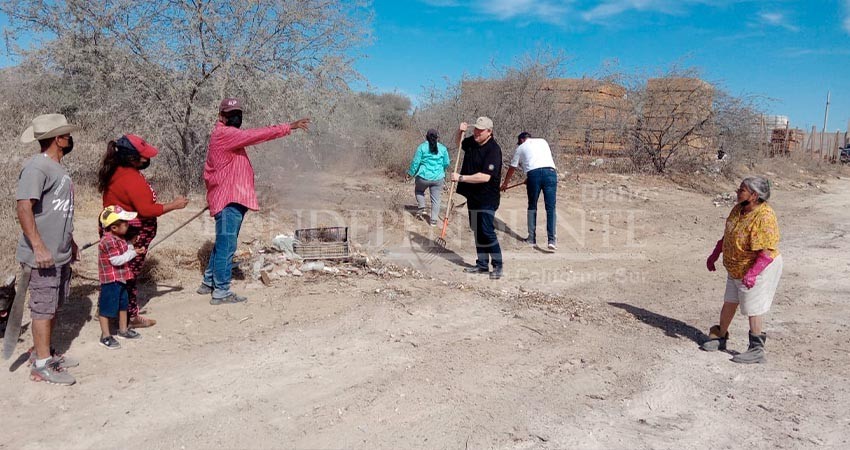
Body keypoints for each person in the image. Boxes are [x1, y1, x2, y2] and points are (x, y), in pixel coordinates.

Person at [198, 98, 310, 304]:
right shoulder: (226, 134)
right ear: (221, 116)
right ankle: (221, 292)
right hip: (229, 200)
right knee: (227, 247)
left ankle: (208, 282)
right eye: (231, 114)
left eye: (238, 113)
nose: (236, 117)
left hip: (228, 197)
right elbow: (257, 135)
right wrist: (289, 127)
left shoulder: (223, 134)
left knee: (223, 243)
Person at [98, 134, 189, 328]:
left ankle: (114, 311)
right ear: (132, 158)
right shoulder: (129, 178)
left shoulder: (119, 171)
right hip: (129, 233)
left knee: (120, 273)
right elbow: (146, 209)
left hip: (121, 229)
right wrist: (174, 205)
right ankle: (129, 317)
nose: (147, 160)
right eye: (144, 156)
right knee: (127, 274)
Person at [17, 114, 81, 385]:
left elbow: (60, 212)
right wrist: (39, 246)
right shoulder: (36, 168)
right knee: (43, 309)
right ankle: (42, 365)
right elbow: (23, 207)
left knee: (53, 306)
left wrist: (71, 242)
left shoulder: (58, 169)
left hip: (59, 253)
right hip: (42, 256)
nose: (70, 138)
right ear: (58, 139)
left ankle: (42, 352)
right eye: (66, 134)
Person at [702, 176, 783, 364]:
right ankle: (720, 336)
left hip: (759, 268)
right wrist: (715, 255)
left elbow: (767, 251)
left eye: (742, 190)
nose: (738, 192)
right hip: (736, 267)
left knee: (753, 306)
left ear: (754, 195)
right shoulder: (738, 210)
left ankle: (756, 349)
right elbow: (727, 236)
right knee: (730, 301)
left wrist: (753, 273)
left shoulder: (765, 216)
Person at [450, 117, 503, 280]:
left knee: (486, 230)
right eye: (476, 129)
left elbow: (485, 177)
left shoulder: (493, 150)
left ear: (489, 132)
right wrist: (460, 131)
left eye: (480, 130)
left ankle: (498, 265)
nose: (477, 132)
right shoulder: (472, 142)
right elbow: (458, 144)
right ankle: (481, 264)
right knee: (477, 230)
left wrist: (461, 178)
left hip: (487, 197)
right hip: (472, 196)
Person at [97, 206, 144, 349]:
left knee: (123, 304)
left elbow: (125, 250)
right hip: (111, 281)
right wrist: (134, 253)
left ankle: (123, 330)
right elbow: (116, 260)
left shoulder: (120, 238)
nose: (127, 224)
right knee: (106, 308)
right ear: (114, 227)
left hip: (121, 278)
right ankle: (105, 336)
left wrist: (132, 246)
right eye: (124, 223)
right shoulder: (108, 241)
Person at [501, 132, 558, 250]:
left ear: (521, 140)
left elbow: (512, 167)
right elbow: (540, 161)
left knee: (532, 205)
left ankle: (532, 238)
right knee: (551, 208)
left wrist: (505, 183)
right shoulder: (543, 141)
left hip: (534, 175)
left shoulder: (521, 147)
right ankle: (551, 240)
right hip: (551, 173)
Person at [407, 129, 450, 226]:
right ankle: (433, 221)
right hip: (438, 178)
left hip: (423, 177)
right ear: (437, 138)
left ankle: (422, 206)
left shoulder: (422, 147)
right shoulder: (442, 148)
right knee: (436, 199)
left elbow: (415, 163)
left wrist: (410, 173)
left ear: (426, 137)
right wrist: (441, 170)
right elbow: (447, 163)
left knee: (418, 191)